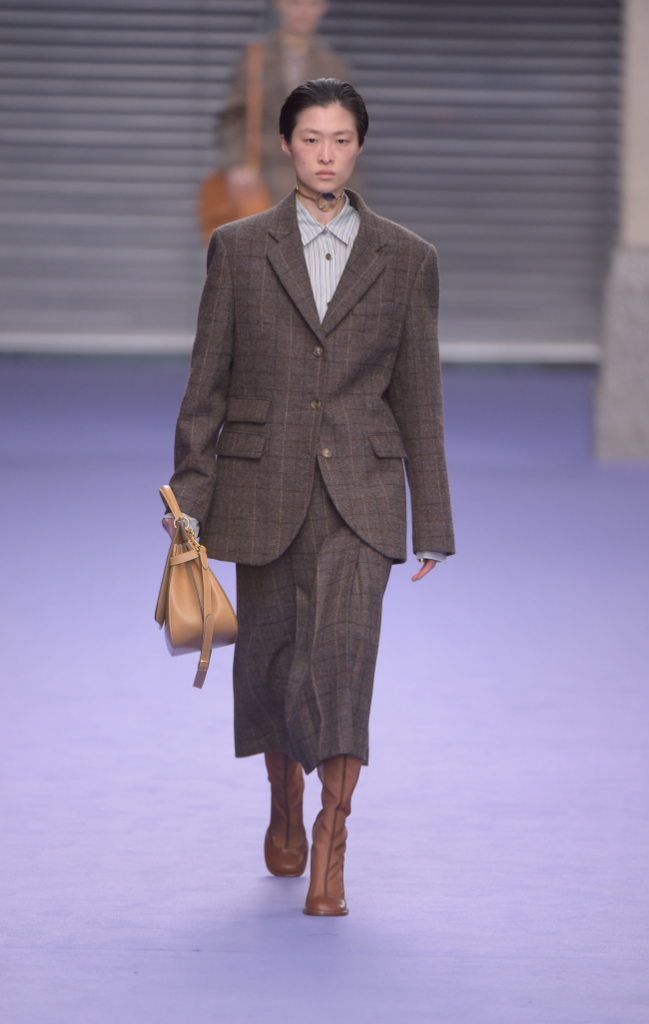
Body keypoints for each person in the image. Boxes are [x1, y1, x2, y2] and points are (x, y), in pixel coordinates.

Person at [166, 79, 455, 917]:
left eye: (341, 140)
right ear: (287, 145)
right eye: (311, 139)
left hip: (363, 489)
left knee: (343, 664)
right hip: (261, 484)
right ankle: (285, 800)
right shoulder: (238, 248)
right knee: (274, 663)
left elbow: (420, 396)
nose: (326, 155)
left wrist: (432, 519)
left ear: (359, 147)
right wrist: (187, 501)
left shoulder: (408, 258)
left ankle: (333, 835)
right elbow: (206, 387)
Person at [216, 0, 360, 207]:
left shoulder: (334, 66)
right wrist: (236, 165)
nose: (303, 11)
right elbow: (232, 116)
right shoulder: (254, 58)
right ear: (279, 4)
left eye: (312, 4)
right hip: (259, 178)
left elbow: (346, 132)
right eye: (295, 3)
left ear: (323, 7)